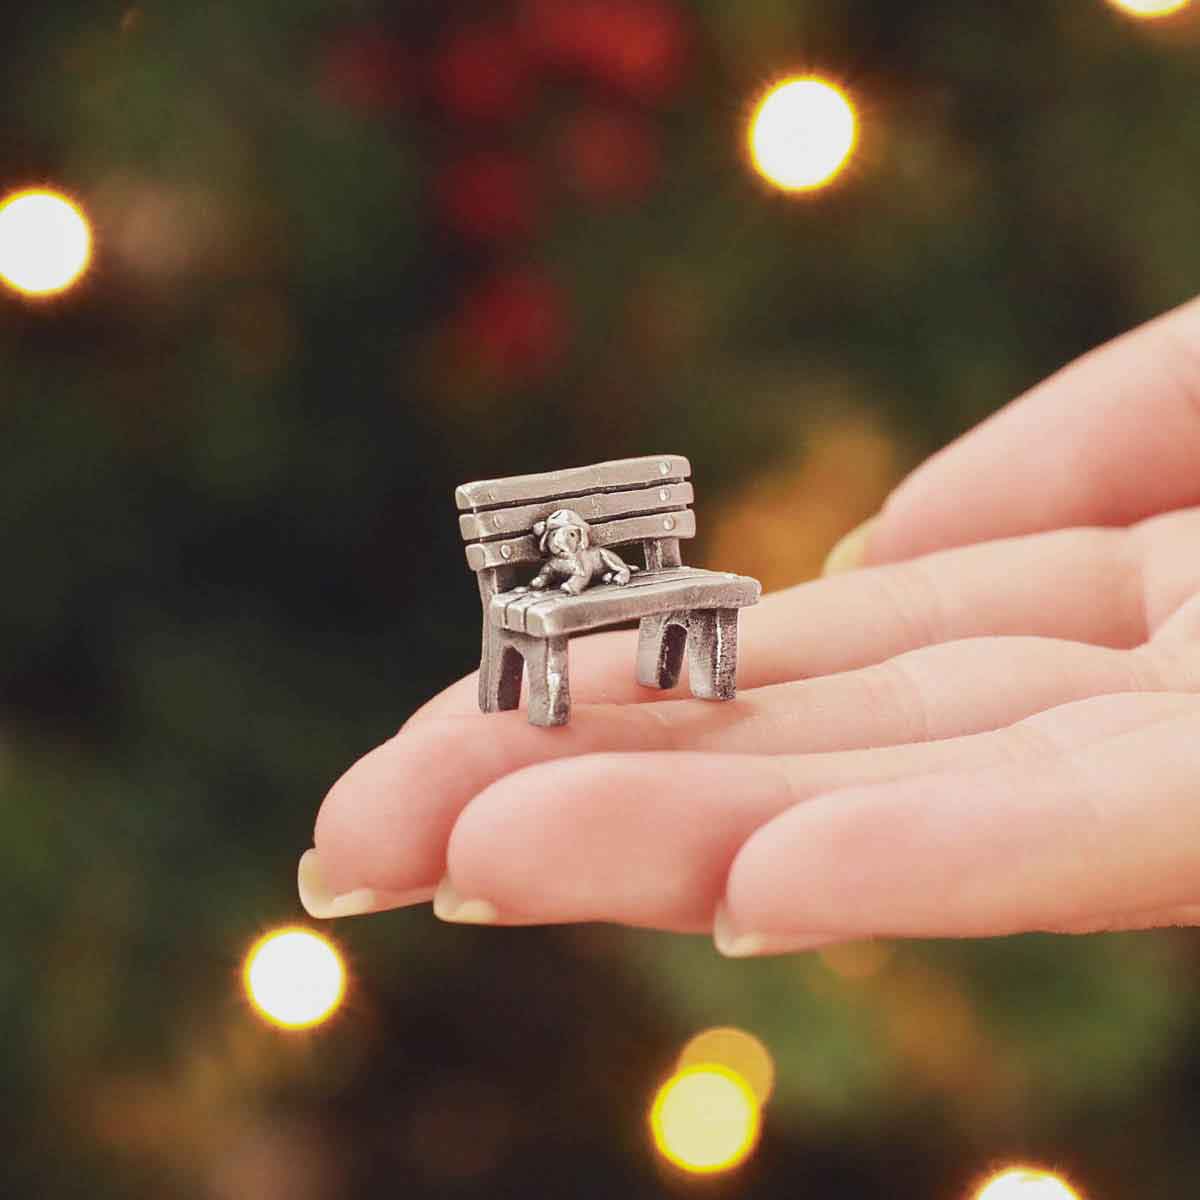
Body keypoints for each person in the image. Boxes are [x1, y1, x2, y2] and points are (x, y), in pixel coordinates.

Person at [297, 296, 1200, 957]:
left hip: (612, 572)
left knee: (713, 607)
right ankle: (587, 693)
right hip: (552, 586)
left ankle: (698, 675)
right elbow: (537, 573)